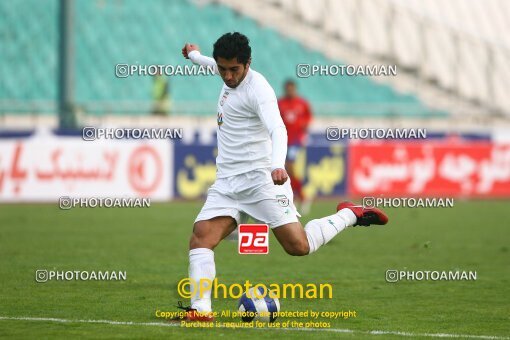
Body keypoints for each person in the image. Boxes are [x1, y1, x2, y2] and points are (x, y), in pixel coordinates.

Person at [177, 32, 388, 321]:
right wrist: (192, 55)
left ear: (248, 63)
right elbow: (208, 64)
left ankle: (349, 214)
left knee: (298, 247)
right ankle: (200, 311)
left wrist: (278, 165)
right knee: (200, 238)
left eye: (234, 69)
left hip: (261, 180)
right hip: (227, 182)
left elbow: (278, 129)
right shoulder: (224, 70)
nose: (227, 75)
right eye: (222, 68)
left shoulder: (258, 90)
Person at [278, 79, 312, 213]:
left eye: (292, 88)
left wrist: (303, 128)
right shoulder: (280, 103)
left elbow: (308, 117)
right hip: (282, 140)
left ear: (295, 89)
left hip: (296, 140)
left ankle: (301, 197)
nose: (289, 91)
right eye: (287, 88)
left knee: (289, 166)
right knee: (285, 170)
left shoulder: (302, 103)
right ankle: (298, 196)